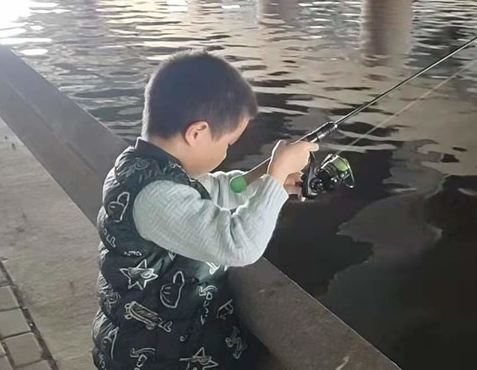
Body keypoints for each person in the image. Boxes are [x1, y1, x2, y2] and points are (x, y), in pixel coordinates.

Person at [91, 51, 317, 369]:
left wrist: (264, 177)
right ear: (196, 133)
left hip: (167, 341)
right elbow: (240, 245)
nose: (227, 152)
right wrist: (277, 177)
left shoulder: (145, 166)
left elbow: (220, 191)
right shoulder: (156, 195)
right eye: (227, 143)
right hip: (154, 357)